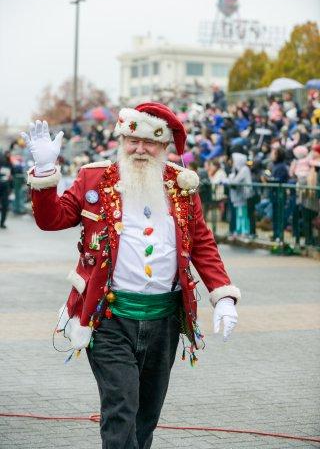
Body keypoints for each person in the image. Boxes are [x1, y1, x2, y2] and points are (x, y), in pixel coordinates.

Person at [22, 102, 241, 449]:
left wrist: (224, 295)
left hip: (165, 320)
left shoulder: (182, 186)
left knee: (146, 415)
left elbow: (201, 243)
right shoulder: (93, 178)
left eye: (149, 142)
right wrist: (46, 170)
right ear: (121, 140)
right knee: (121, 406)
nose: (139, 149)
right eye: (131, 140)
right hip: (109, 317)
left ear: (165, 146)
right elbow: (51, 220)